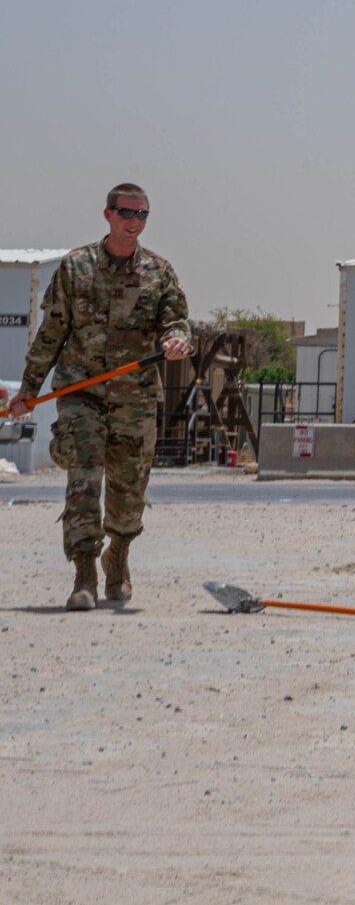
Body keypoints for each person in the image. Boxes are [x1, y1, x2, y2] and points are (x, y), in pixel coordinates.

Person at [6, 186, 191, 609]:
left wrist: (178, 340)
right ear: (108, 214)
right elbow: (51, 332)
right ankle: (84, 572)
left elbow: (176, 320)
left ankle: (118, 554)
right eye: (127, 212)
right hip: (82, 393)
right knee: (84, 478)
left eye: (143, 213)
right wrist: (29, 390)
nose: (135, 220)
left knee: (129, 492)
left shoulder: (159, 272)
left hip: (135, 397)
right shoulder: (76, 268)